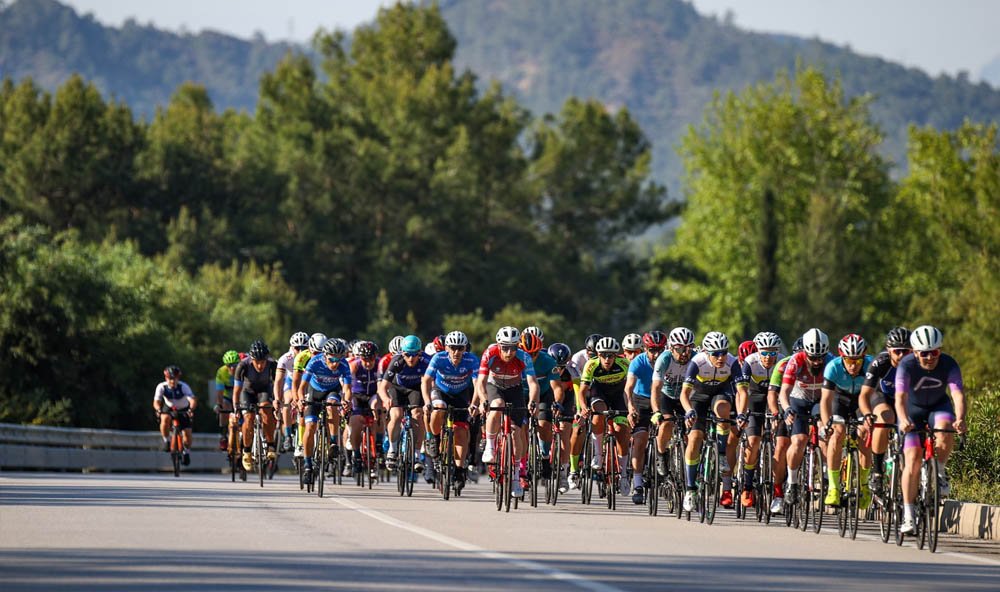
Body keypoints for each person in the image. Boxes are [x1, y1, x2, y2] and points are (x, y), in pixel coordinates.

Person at [896, 325, 967, 535]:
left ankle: (940, 470)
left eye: (934, 352)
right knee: (913, 459)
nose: (929, 358)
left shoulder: (949, 364)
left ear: (940, 350)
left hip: (938, 406)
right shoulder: (906, 365)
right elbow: (900, 398)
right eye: (924, 353)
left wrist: (961, 418)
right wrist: (902, 419)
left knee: (945, 427)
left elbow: (957, 395)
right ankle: (909, 516)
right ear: (915, 352)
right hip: (912, 411)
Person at [680, 332, 748, 512]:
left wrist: (741, 414)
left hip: (721, 392)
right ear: (706, 352)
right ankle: (690, 489)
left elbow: (742, 392)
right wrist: (689, 411)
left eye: (724, 352)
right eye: (716, 354)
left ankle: (722, 454)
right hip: (699, 396)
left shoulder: (732, 362)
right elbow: (684, 394)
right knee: (694, 438)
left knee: (723, 410)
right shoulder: (697, 362)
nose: (721, 357)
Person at [474, 326, 540, 498]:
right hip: (494, 386)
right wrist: (483, 401)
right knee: (497, 404)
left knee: (516, 431)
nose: (509, 352)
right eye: (505, 347)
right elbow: (480, 382)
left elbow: (533, 383)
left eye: (513, 347)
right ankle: (490, 446)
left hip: (515, 389)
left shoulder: (524, 356)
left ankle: (517, 476)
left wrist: (533, 402)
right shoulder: (490, 353)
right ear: (498, 345)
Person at [778, 328, 834, 508]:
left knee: (826, 436)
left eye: (821, 357)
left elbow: (836, 394)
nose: (817, 362)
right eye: (813, 358)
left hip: (820, 400)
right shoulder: (796, 361)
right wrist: (786, 409)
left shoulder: (831, 361)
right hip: (798, 399)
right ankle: (792, 483)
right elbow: (783, 392)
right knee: (799, 440)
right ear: (805, 352)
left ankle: (826, 478)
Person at [820, 333, 874, 508]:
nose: (853, 366)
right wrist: (827, 422)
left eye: (858, 361)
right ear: (842, 357)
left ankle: (863, 484)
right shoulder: (833, 367)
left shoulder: (870, 366)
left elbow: (875, 396)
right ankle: (834, 488)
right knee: (837, 433)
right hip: (840, 400)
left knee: (865, 435)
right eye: (849, 361)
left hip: (861, 401)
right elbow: (826, 400)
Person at [422, 330, 480, 492]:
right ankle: (434, 438)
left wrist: (474, 403)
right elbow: (426, 381)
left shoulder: (471, 359)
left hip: (461, 394)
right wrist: (427, 402)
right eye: (453, 348)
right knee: (439, 407)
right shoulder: (438, 358)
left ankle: (460, 470)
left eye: (460, 348)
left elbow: (477, 384)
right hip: (441, 391)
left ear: (465, 349)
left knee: (461, 431)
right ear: (446, 348)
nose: (456, 352)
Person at [579, 336, 633, 497]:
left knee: (622, 431)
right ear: (598, 355)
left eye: (610, 355)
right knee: (598, 415)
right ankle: (598, 455)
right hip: (599, 393)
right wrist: (583, 408)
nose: (607, 359)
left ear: (616, 356)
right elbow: (582, 391)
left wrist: (631, 408)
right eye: (603, 355)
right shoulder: (591, 365)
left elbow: (631, 389)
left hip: (619, 395)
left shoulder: (625, 364)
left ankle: (623, 474)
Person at [858, 327, 910, 494]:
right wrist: (867, 414)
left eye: (906, 351)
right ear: (889, 350)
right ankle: (878, 471)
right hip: (883, 398)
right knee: (885, 419)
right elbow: (864, 395)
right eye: (897, 351)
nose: (902, 355)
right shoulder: (880, 362)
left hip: (907, 401)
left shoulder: (917, 364)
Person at [736, 331, 782, 508]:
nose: (769, 357)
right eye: (765, 352)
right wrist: (742, 413)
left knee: (781, 441)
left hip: (775, 398)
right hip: (754, 397)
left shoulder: (782, 360)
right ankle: (747, 486)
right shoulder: (750, 362)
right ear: (758, 351)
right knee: (754, 440)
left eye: (773, 353)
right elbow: (742, 392)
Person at [298, 338, 352, 485]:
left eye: (339, 359)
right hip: (314, 392)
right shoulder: (315, 362)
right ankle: (308, 465)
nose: (335, 363)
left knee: (333, 404)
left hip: (332, 391)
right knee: (310, 427)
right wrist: (300, 399)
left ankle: (333, 442)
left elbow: (347, 389)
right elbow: (302, 386)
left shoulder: (344, 365)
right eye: (332, 359)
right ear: (325, 356)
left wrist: (346, 401)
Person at [623, 330, 668, 504]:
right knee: (640, 439)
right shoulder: (638, 362)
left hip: (662, 398)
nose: (656, 354)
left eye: (660, 349)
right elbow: (628, 388)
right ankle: (638, 482)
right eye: (651, 350)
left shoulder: (667, 360)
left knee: (667, 433)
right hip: (641, 399)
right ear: (645, 349)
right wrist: (630, 407)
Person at [380, 335, 431, 475]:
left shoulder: (426, 361)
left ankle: (416, 453)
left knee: (418, 415)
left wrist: (429, 402)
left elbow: (432, 383)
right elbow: (383, 387)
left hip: (415, 388)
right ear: (402, 353)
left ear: (420, 352)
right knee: (396, 415)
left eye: (414, 355)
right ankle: (393, 448)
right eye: (407, 355)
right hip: (397, 388)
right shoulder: (396, 361)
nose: (411, 358)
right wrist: (385, 399)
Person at [650, 327, 695, 479]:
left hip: (687, 397)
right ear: (671, 348)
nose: (685, 353)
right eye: (680, 349)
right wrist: (656, 411)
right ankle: (661, 454)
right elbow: (656, 388)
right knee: (667, 423)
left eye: (689, 348)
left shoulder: (696, 358)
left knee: (693, 431)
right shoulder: (664, 359)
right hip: (667, 395)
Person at [232, 340, 279, 472]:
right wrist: (236, 407)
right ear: (251, 359)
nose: (260, 365)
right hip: (248, 392)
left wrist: (277, 401)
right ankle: (246, 452)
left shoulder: (272, 364)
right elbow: (237, 390)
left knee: (266, 411)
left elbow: (277, 385)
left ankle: (270, 446)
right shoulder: (243, 365)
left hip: (265, 391)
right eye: (257, 362)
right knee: (248, 418)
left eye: (262, 361)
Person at [347, 340, 384, 478]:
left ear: (376, 356)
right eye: (365, 359)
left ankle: (379, 442)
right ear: (360, 358)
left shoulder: (380, 365)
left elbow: (385, 386)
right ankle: (356, 455)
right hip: (357, 395)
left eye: (371, 359)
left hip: (373, 395)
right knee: (355, 421)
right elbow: (346, 386)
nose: (368, 363)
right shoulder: (354, 366)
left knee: (378, 408)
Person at [548, 342, 579, 492]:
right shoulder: (545, 367)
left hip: (567, 399)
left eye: (562, 366)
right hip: (548, 396)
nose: (559, 370)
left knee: (565, 431)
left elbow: (579, 391)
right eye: (556, 366)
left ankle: (563, 472)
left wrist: (579, 409)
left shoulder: (572, 370)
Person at [154, 365, 196, 465]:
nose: (173, 381)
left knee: (187, 434)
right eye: (170, 379)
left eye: (175, 378)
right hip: (169, 408)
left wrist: (191, 409)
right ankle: (166, 441)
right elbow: (156, 401)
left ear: (178, 378)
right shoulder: (162, 387)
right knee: (164, 418)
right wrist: (158, 409)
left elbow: (192, 399)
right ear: (166, 378)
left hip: (183, 409)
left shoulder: (183, 386)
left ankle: (186, 452)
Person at [275, 332, 309, 452]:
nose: (300, 351)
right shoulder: (285, 359)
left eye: (304, 348)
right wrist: (277, 399)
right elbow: (278, 381)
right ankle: (288, 436)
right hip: (290, 382)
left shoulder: (310, 357)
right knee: (288, 401)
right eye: (297, 348)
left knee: (306, 405)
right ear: (291, 347)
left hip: (306, 383)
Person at [214, 350, 240, 450]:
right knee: (224, 407)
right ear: (226, 365)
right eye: (229, 365)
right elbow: (219, 391)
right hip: (227, 396)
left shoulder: (242, 369)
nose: (232, 368)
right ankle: (223, 435)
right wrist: (219, 405)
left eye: (235, 365)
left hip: (240, 395)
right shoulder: (221, 372)